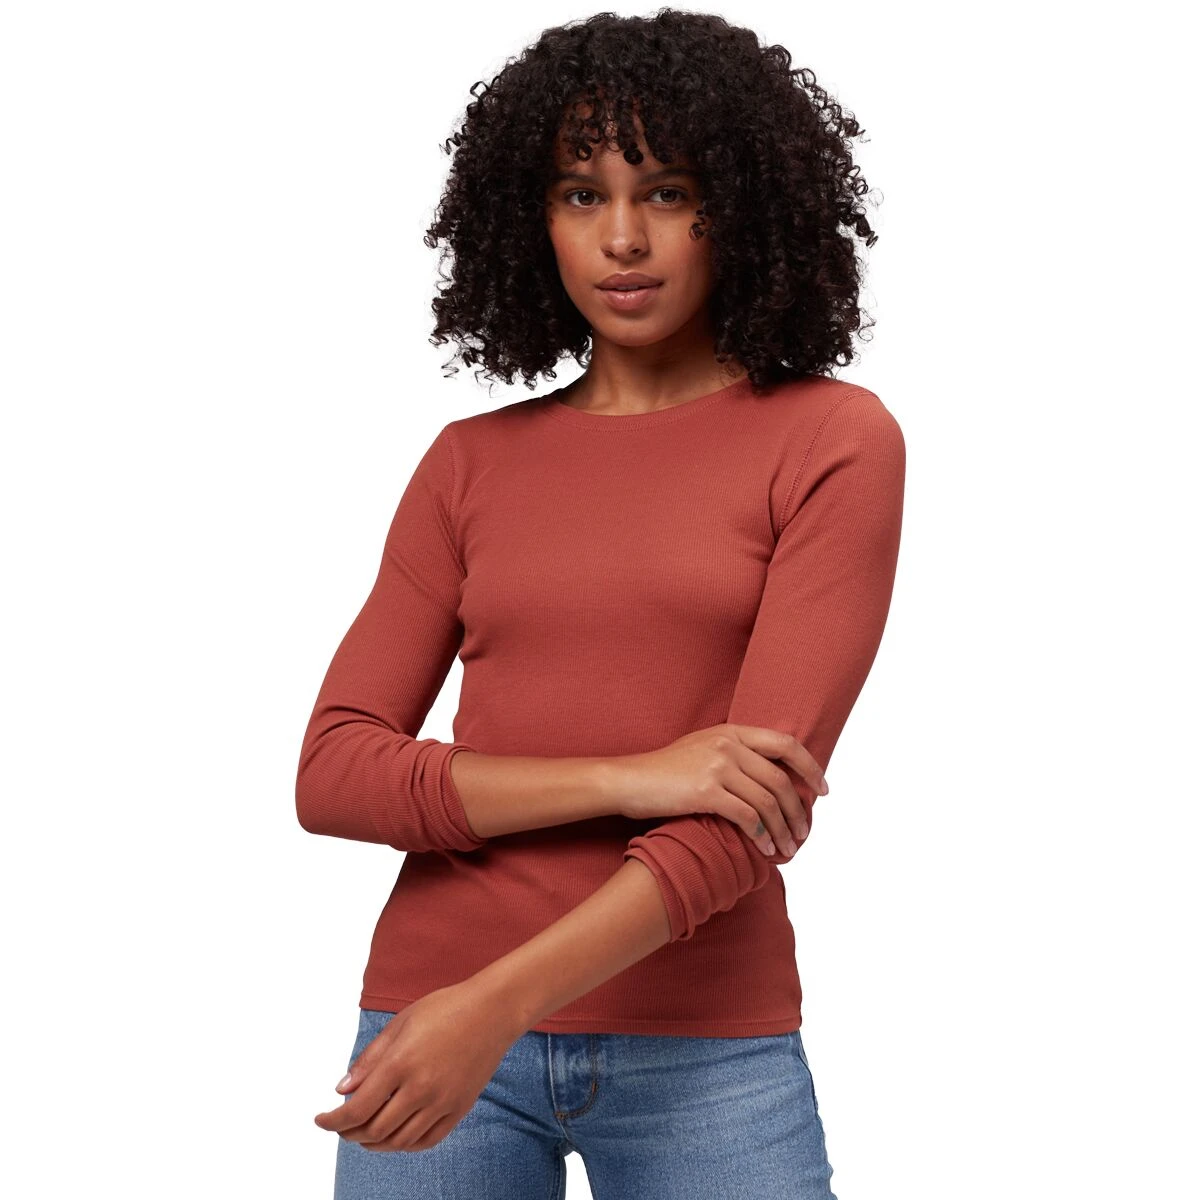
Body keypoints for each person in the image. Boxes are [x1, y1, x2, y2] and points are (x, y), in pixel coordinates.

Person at [297, 10, 905, 1198]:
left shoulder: (833, 441)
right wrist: (637, 774)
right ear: (531, 219)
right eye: (582, 195)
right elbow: (334, 773)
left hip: (700, 1051)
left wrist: (495, 1003)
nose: (623, 238)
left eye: (667, 192)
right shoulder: (469, 463)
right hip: (431, 1019)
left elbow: (746, 812)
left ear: (741, 205)